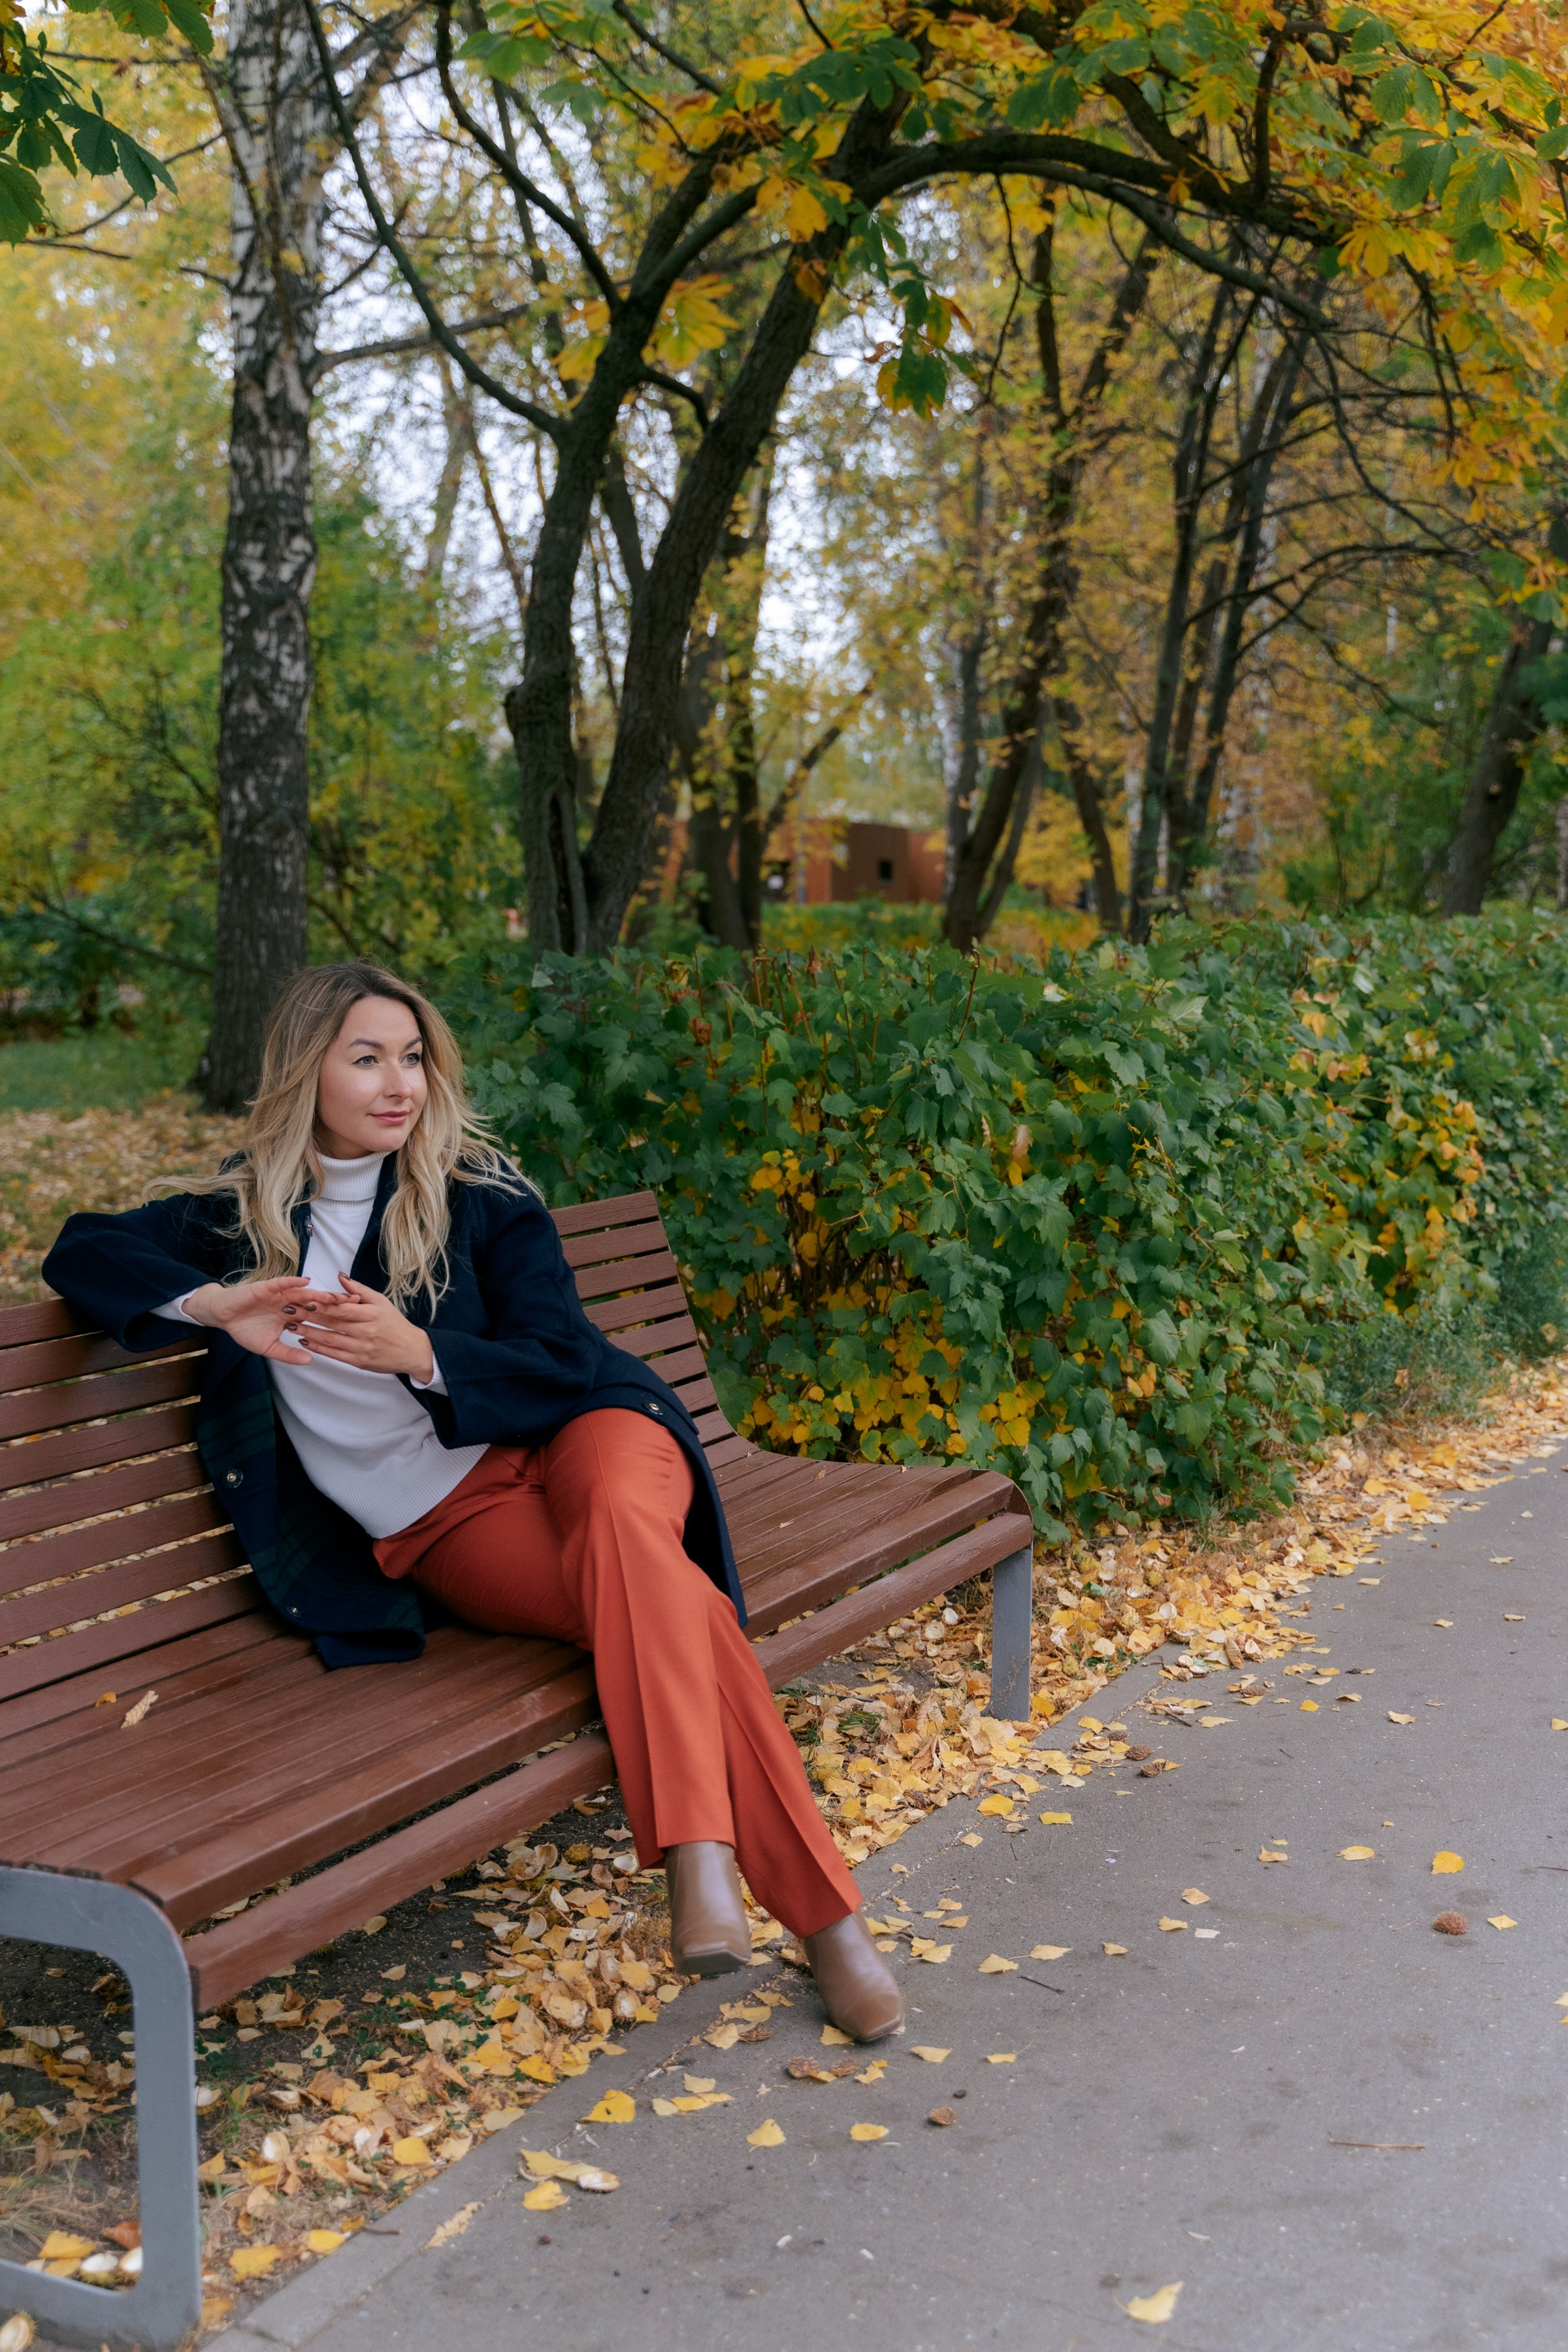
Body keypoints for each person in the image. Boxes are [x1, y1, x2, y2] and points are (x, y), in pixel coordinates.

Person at [42, 962, 904, 2042]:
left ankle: (705, 1858)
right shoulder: (235, 1222)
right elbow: (80, 1246)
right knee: (662, 1597)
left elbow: (558, 1359)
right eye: (367, 1057)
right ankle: (813, 1917)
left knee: (630, 1537)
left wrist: (422, 1354)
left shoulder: (483, 1202)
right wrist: (218, 1307)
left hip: (592, 1435)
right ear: (306, 1069)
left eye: (413, 1057)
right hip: (447, 1519)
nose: (397, 1082)